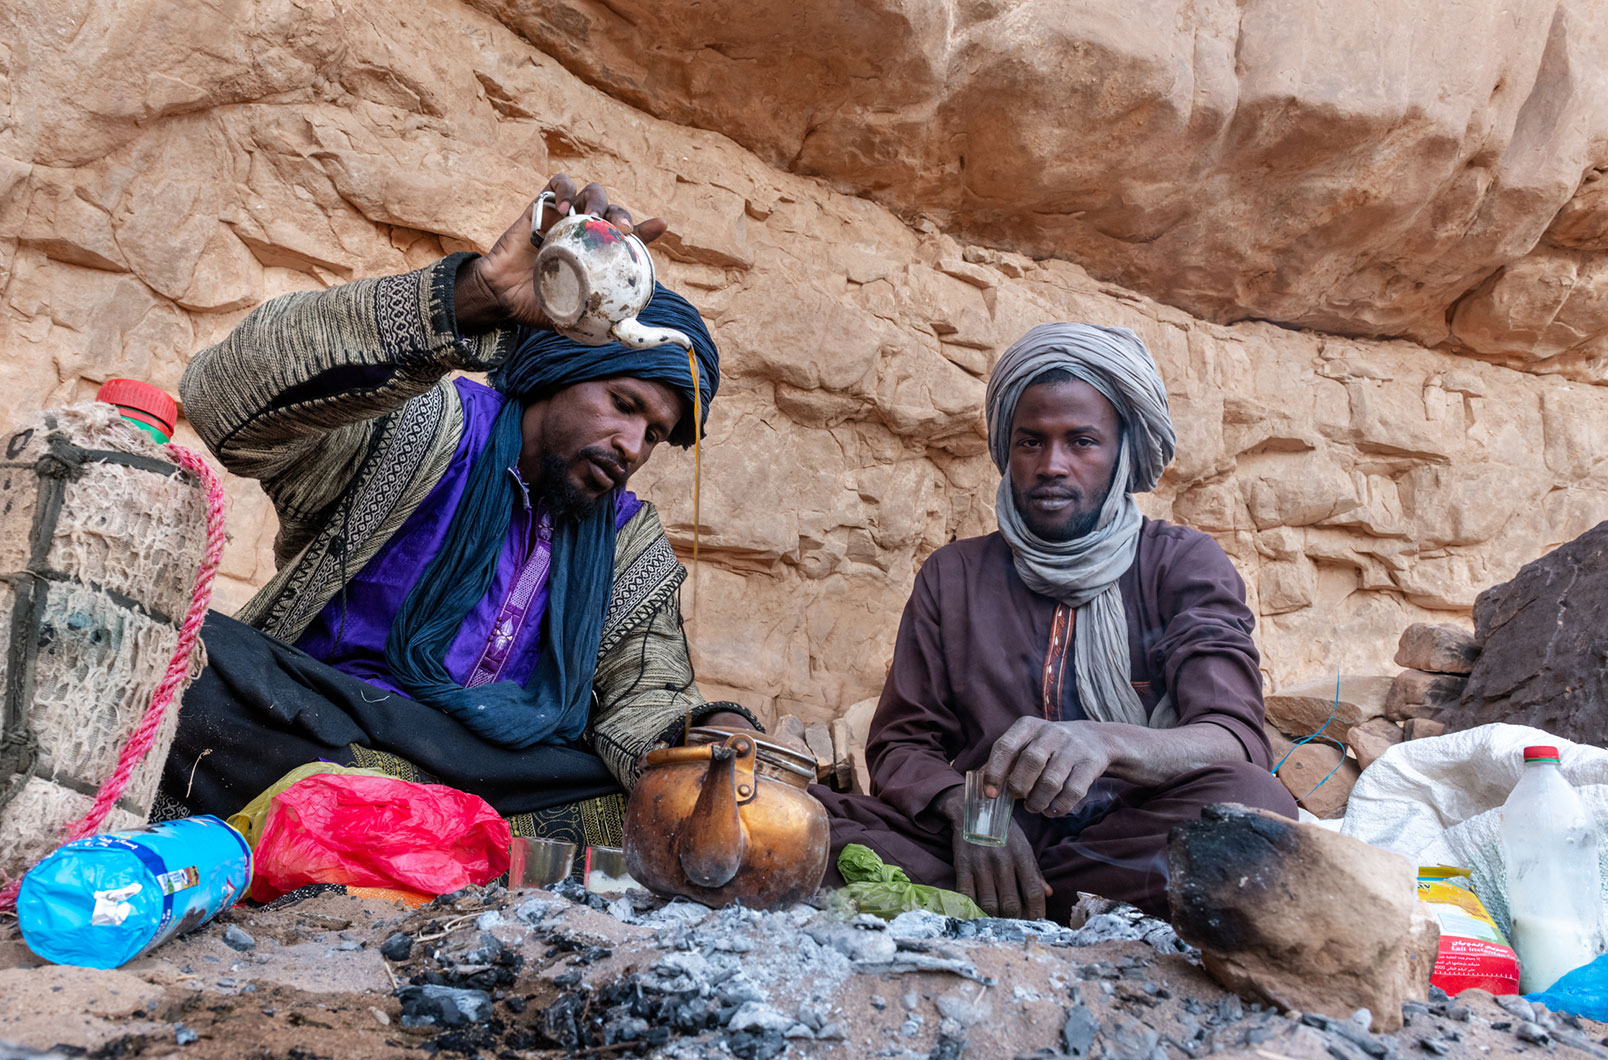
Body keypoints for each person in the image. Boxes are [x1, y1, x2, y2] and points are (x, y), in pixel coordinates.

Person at [155, 175, 759, 846]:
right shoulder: (422, 429)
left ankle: (370, 821)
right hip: (322, 724)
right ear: (557, 372)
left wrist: (716, 734)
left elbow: (646, 696)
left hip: (485, 772)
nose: (632, 446)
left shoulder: (627, 543)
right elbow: (220, 400)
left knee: (627, 798)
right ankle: (403, 824)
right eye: (623, 405)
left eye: (653, 434)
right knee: (187, 654)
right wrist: (469, 299)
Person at [813, 322, 1296, 922]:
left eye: (1082, 441)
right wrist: (974, 818)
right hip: (974, 837)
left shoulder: (1180, 562)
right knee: (796, 817)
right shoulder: (954, 574)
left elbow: (1235, 738)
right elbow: (902, 744)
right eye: (1031, 442)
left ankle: (1007, 899)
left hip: (1125, 837)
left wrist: (1106, 741)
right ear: (1007, 450)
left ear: (1123, 453)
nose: (1052, 465)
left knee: (1253, 803)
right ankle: (1044, 898)